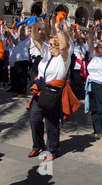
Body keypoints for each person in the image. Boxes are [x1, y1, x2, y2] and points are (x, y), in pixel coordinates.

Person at [27, 17, 79, 161]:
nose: (48, 46)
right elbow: (36, 38)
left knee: (51, 123)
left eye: (51, 45)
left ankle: (52, 150)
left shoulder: (64, 58)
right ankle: (38, 145)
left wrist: (58, 29)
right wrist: (35, 25)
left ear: (57, 46)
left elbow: (63, 47)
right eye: (48, 44)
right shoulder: (46, 53)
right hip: (40, 90)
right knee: (34, 118)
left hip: (53, 93)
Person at [8, 25, 31, 96]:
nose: (21, 35)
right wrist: (11, 36)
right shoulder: (20, 41)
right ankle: (19, 91)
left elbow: (26, 34)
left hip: (23, 60)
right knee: (18, 76)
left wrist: (24, 27)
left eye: (22, 34)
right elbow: (15, 41)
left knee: (23, 76)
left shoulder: (27, 39)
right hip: (18, 60)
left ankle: (23, 92)